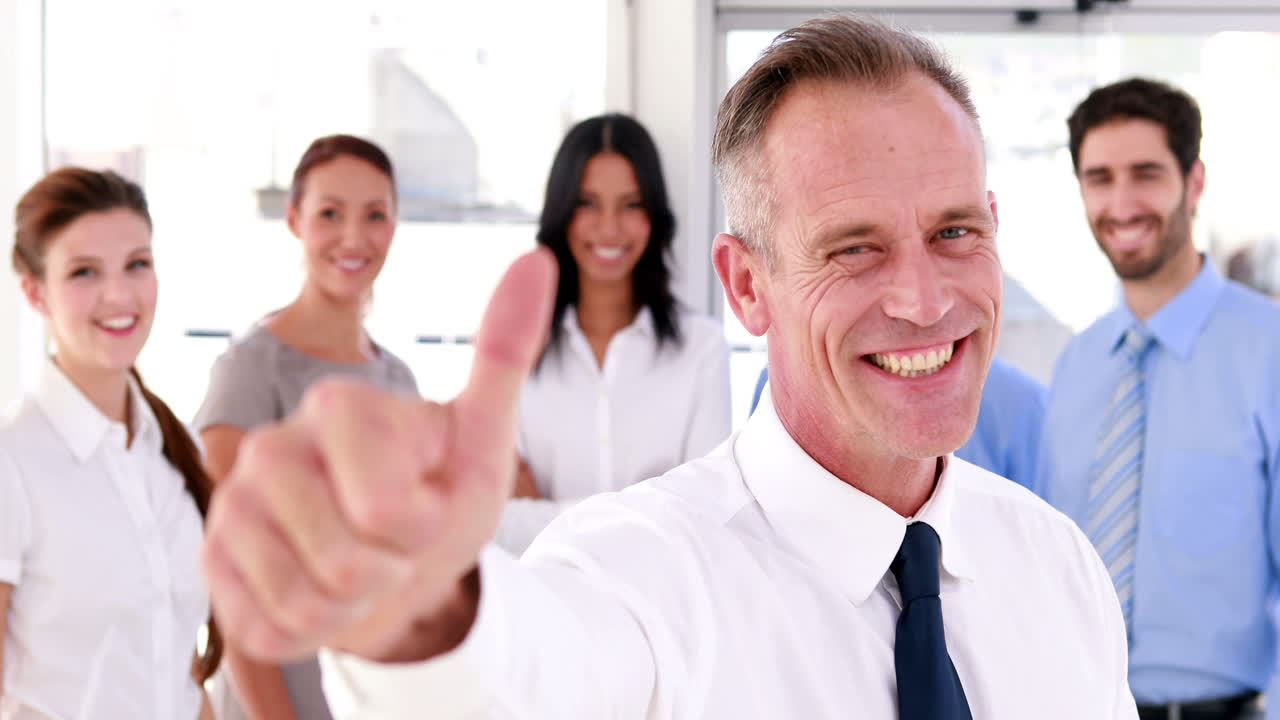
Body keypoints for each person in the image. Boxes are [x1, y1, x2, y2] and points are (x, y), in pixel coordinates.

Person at [203, 15, 1138, 719]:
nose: (924, 298)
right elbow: (526, 678)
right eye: (852, 249)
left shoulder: (1060, 568)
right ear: (746, 285)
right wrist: (422, 617)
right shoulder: (640, 570)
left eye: (954, 232)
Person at [1038, 77, 1280, 719]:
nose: (1121, 203)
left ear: (1193, 183)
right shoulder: (1078, 363)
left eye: (1145, 173)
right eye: (1099, 178)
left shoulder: (1269, 352)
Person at [193, 135, 418, 720]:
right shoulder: (250, 371)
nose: (353, 237)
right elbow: (229, 582)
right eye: (329, 214)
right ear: (294, 220)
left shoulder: (398, 380)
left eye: (375, 215)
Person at [0, 168, 219, 718]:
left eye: (137, 264)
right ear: (34, 292)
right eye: (83, 272)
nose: (119, 294)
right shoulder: (13, 464)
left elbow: (177, 667)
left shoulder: (175, 449)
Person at [499, 114, 731, 554]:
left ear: (654, 215)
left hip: (664, 614)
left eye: (631, 204)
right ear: (562, 211)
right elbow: (496, 525)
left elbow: (705, 524)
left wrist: (543, 513)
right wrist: (652, 510)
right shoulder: (515, 353)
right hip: (544, 610)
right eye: (587, 203)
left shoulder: (701, 351)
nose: (609, 228)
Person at [752, 353, 1047, 488]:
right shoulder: (779, 383)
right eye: (855, 251)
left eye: (951, 234)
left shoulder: (1021, 402)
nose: (918, 306)